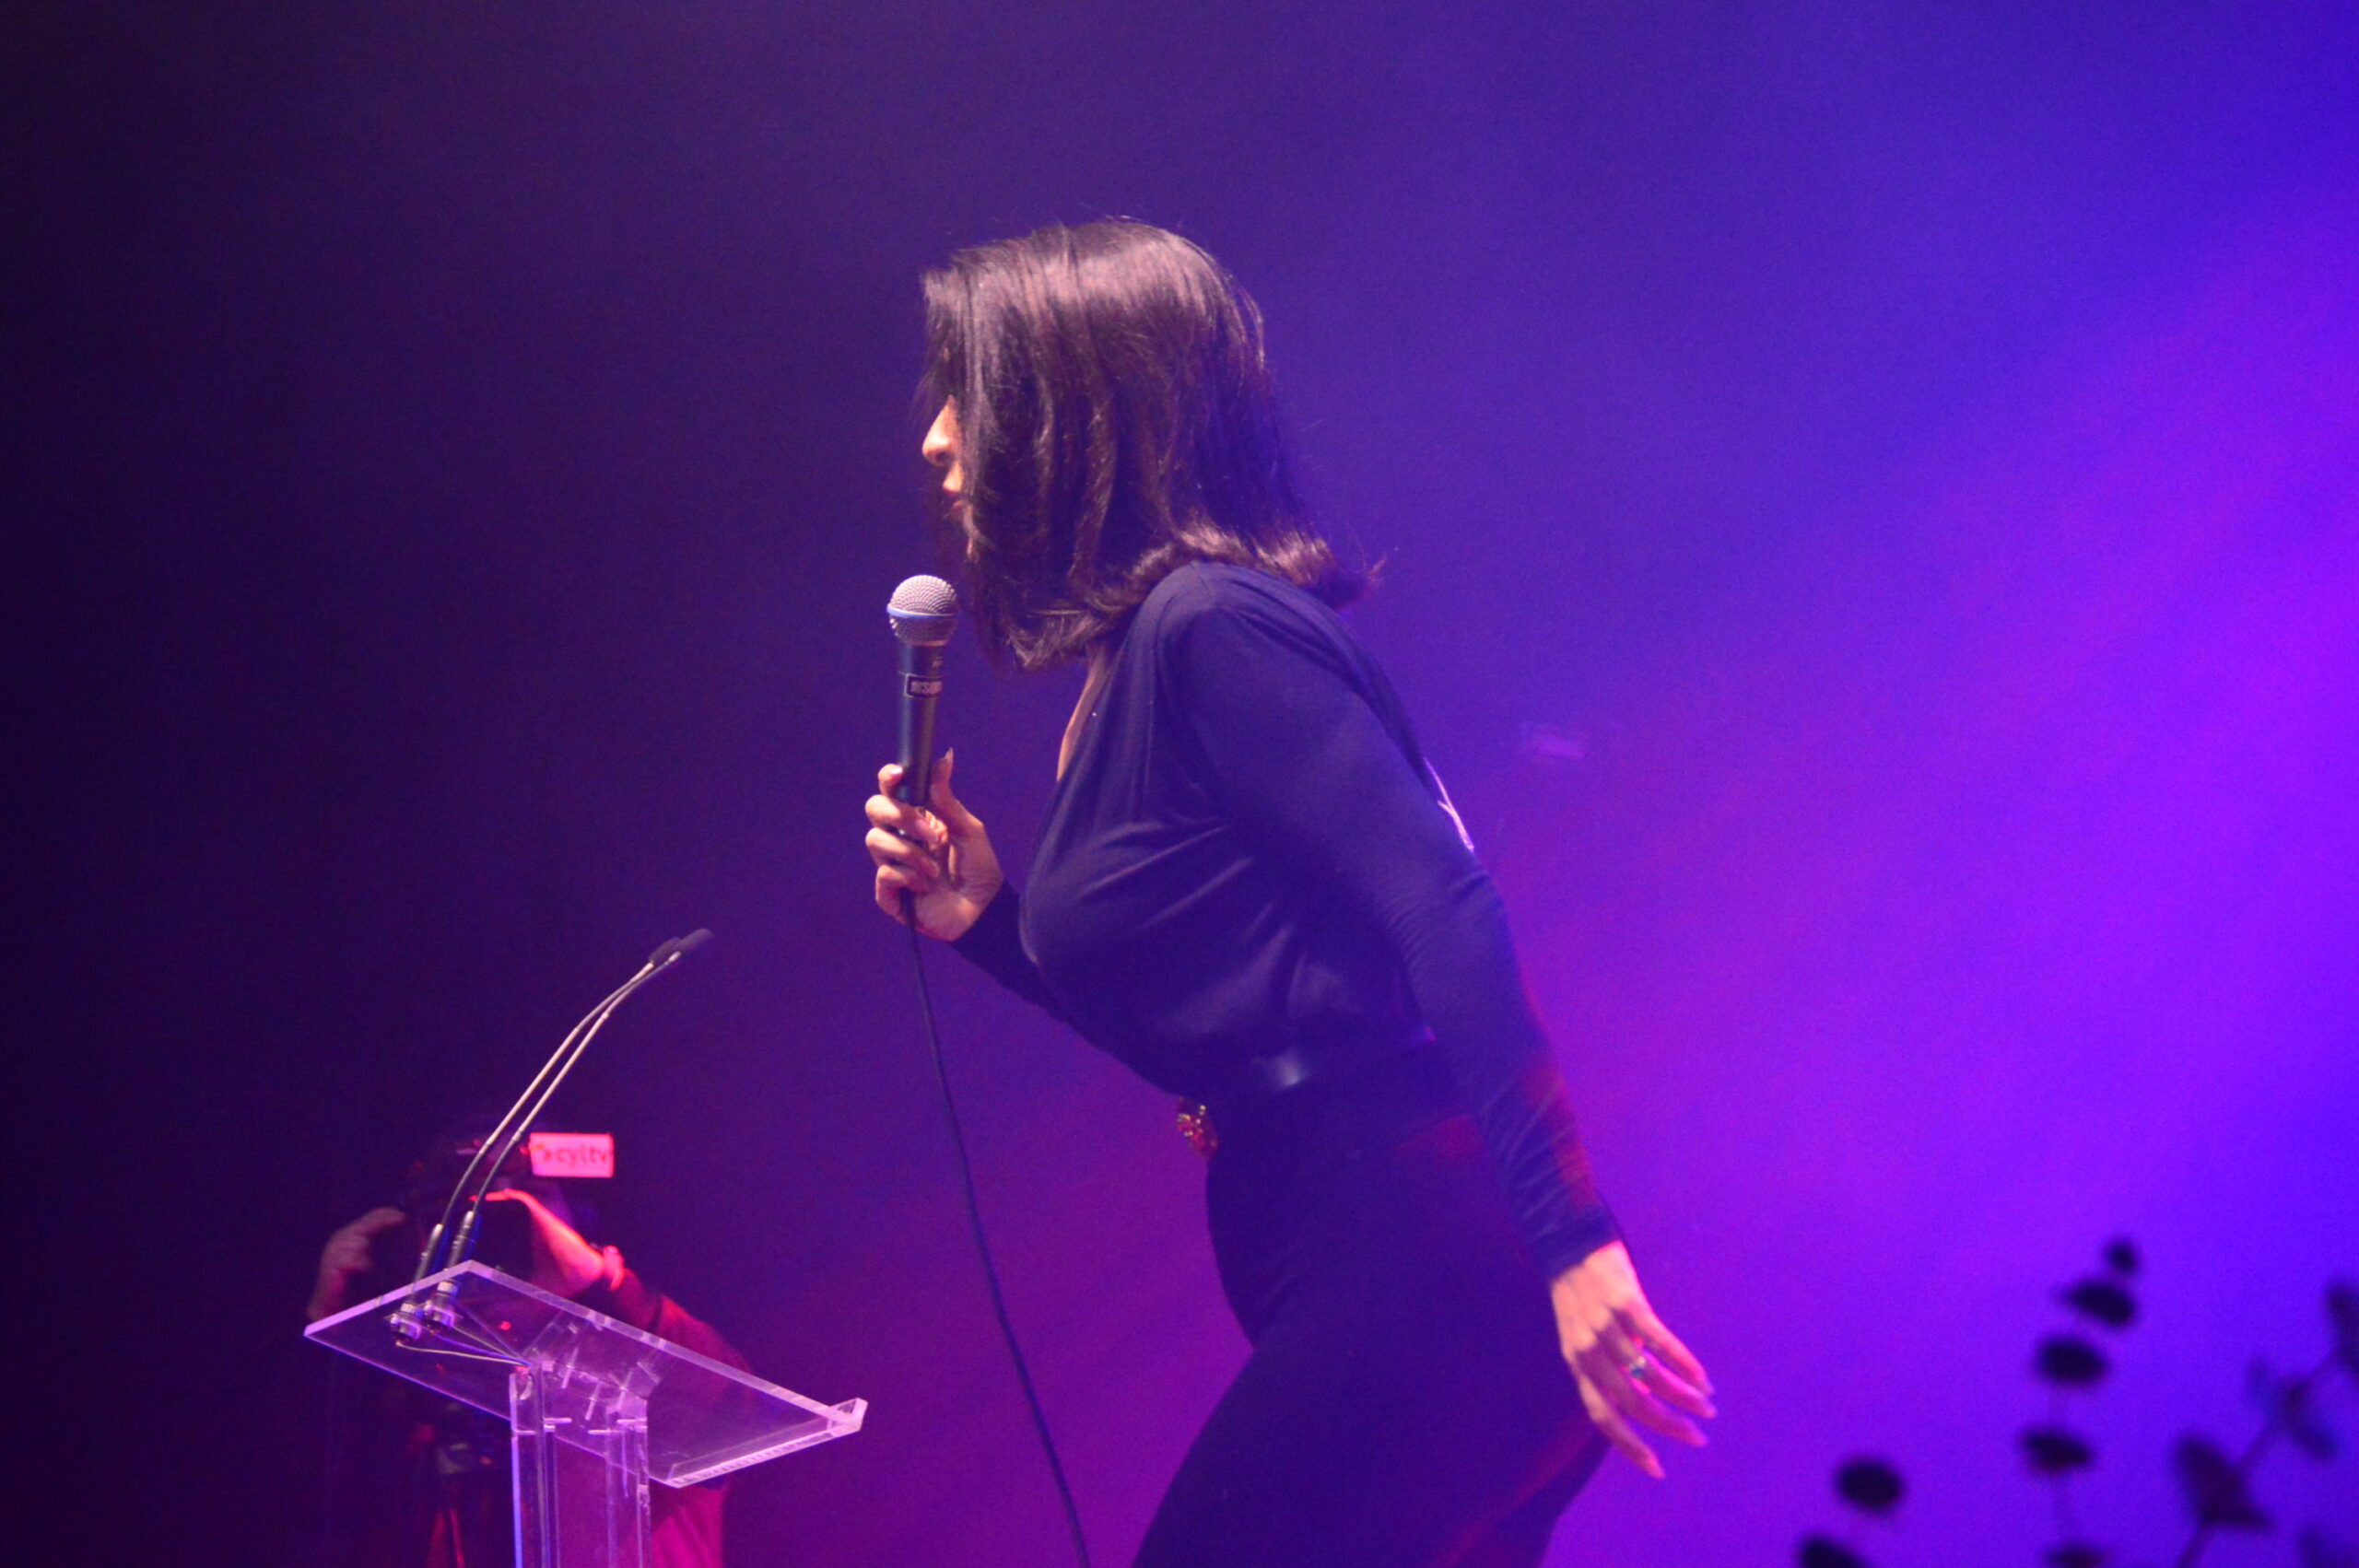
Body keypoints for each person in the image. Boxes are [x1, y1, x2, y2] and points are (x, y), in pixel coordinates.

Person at [862, 220, 1715, 1567]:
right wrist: (994, 929)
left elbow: (1443, 906)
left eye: (968, 393)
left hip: (1420, 1263)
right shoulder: (1138, 664)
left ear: (1073, 413)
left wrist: (1576, 1240)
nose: (936, 440)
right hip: (1373, 1256)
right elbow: (1243, 1017)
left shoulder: (1212, 625)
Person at [303, 1134, 740, 1568]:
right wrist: (331, 1320)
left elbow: (731, 1410)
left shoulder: (637, 1342)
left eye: (530, 1198)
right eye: (470, 1208)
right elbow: (300, 1487)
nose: (497, 1221)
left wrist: (605, 1281)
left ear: (577, 1219)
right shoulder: (414, 1376)